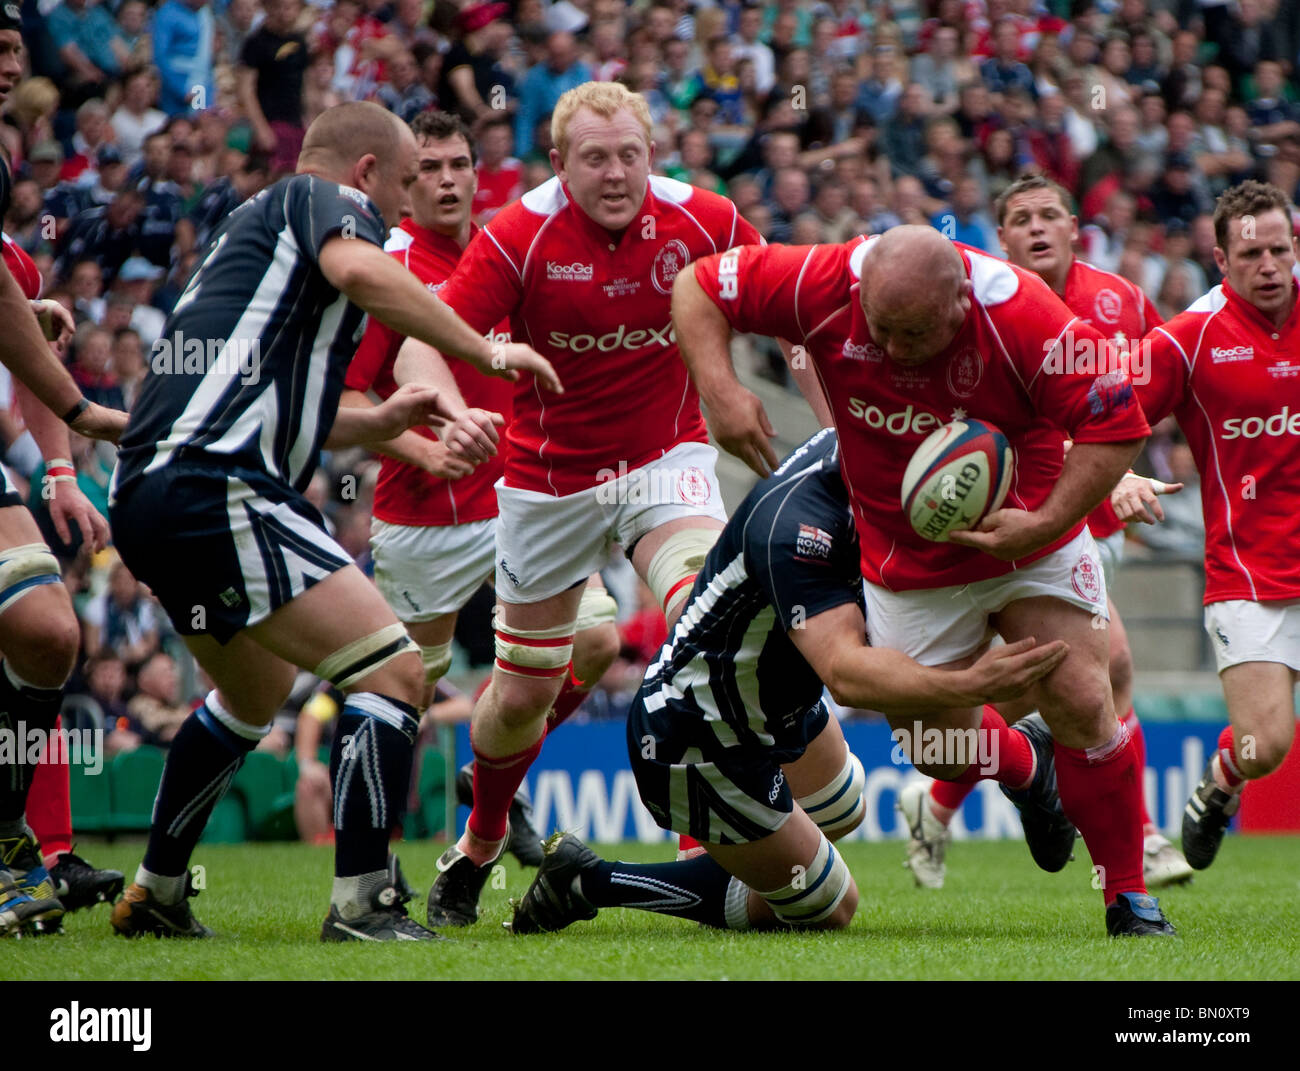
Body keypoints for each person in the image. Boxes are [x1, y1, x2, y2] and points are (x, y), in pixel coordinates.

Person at [104, 100, 560, 943]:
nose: (400, 211)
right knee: (392, 669)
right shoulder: (319, 203)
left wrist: (387, 428)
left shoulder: (254, 238)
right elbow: (363, 273)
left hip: (154, 492)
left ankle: (156, 891)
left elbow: (294, 404)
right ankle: (362, 904)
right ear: (365, 175)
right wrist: (484, 349)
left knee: (253, 691)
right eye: (403, 187)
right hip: (217, 484)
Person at [675, 224, 1177, 937]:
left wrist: (1044, 522)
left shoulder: (1026, 316)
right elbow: (697, 283)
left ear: (960, 303)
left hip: (1027, 531)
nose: (893, 351)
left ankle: (1128, 897)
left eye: (913, 335)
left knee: (1080, 693)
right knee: (933, 742)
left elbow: (1118, 423)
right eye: (880, 330)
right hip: (903, 561)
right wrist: (719, 388)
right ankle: (1030, 768)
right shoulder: (822, 280)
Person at [423, 81, 762, 929]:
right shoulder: (516, 236)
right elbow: (433, 336)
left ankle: (700, 849)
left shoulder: (707, 220)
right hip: (548, 480)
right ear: (557, 163)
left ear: (654, 153)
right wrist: (452, 410)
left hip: (666, 458)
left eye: (630, 155)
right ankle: (481, 837)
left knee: (703, 623)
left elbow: (790, 305)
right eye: (595, 158)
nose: (615, 174)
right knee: (520, 696)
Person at [510, 429, 1069, 935]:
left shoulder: (876, 456)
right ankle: (587, 881)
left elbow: (999, 440)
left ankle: (1025, 762)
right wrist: (972, 682)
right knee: (829, 902)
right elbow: (848, 677)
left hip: (775, 702)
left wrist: (1095, 483)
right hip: (700, 735)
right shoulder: (799, 529)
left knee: (845, 805)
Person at [885, 172, 1193, 889]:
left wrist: (1128, 472)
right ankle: (1134, 840)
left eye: (1050, 213)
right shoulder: (978, 308)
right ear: (1002, 237)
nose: (1037, 227)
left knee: (1063, 681)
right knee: (1102, 665)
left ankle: (936, 802)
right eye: (1020, 218)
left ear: (1075, 229)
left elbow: (1127, 407)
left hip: (1083, 515)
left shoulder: (1119, 303)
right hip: (1005, 526)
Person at [341, 110, 619, 863]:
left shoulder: (505, 249)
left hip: (519, 502)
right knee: (403, 693)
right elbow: (353, 394)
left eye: (458, 164)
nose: (447, 180)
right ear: (404, 181)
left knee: (595, 638)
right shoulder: (387, 263)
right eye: (428, 168)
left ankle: (490, 764)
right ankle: (370, 864)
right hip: (419, 515)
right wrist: (425, 450)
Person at [0, 15, 127, 937]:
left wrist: (57, 469)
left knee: (45, 630)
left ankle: (26, 848)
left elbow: (28, 357)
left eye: (15, 50)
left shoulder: (14, 255)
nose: (12, 66)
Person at [1133, 181, 1300, 872]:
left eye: (1280, 250)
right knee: (1268, 743)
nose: (1269, 265)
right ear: (1221, 259)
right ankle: (1223, 780)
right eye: (1252, 253)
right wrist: (1118, 475)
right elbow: (1108, 411)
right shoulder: (1188, 338)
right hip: (1248, 571)